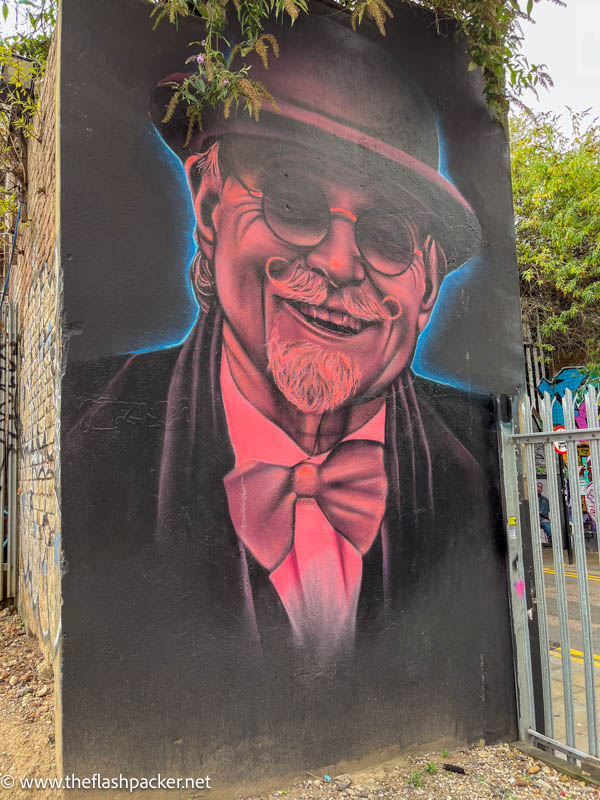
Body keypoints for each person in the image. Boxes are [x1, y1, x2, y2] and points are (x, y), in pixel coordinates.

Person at [63, 13, 515, 774]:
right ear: (210, 208)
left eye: (392, 236)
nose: (341, 264)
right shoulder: (93, 448)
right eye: (296, 201)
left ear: (429, 284)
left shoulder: (473, 469)